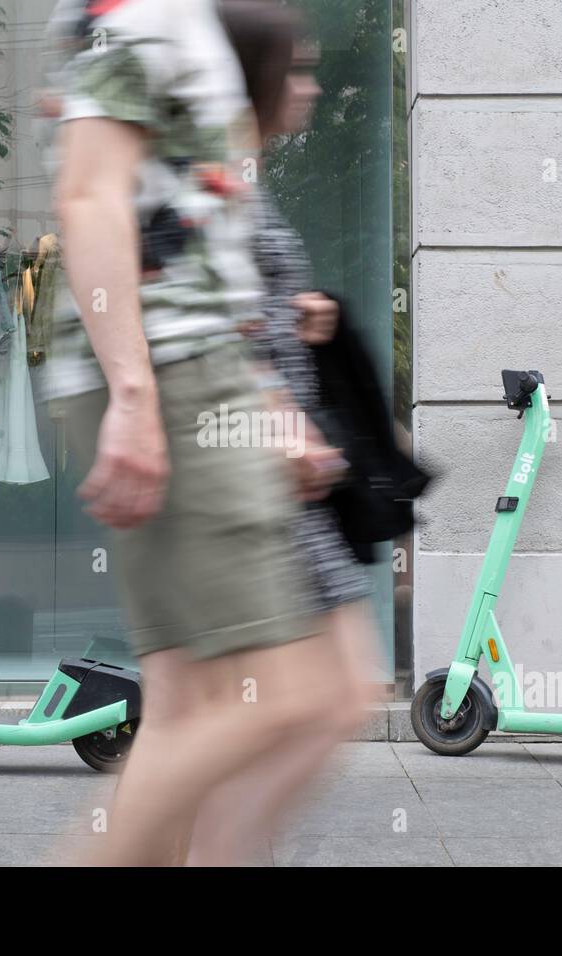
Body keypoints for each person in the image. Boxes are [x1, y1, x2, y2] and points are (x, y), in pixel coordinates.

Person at [48, 0, 352, 866]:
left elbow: (184, 241)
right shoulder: (144, 16)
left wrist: (262, 385)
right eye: (296, 70)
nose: (309, 85)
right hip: (181, 379)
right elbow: (88, 193)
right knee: (283, 698)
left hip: (198, 374)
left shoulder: (172, 27)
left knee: (200, 703)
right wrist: (138, 396)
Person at [182, 0, 383, 865]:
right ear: (252, 80)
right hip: (262, 476)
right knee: (319, 698)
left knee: (314, 698)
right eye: (295, 69)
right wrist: (287, 426)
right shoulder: (213, 181)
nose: (309, 85)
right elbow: (211, 327)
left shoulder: (235, 177)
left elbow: (241, 314)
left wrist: (309, 315)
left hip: (275, 477)